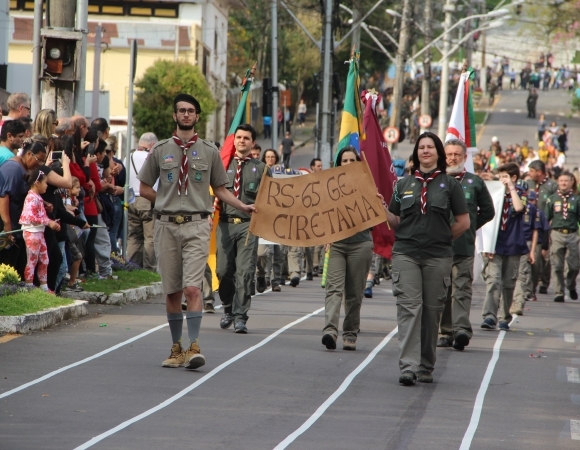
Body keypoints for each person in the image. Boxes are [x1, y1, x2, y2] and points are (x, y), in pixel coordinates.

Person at [138, 93, 255, 370]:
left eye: (191, 111)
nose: (186, 115)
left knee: (193, 288)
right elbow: (143, 188)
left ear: (197, 116)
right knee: (172, 292)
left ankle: (194, 347)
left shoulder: (209, 151)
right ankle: (176, 348)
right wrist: (163, 201)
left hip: (197, 224)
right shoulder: (160, 150)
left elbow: (222, 189)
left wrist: (243, 206)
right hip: (166, 225)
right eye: (181, 110)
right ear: (174, 116)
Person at [383, 132, 470, 385]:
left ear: (438, 153)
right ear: (416, 153)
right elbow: (396, 222)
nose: (425, 151)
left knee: (432, 312)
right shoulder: (403, 185)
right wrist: (382, 210)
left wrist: (442, 238)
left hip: (438, 256)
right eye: (421, 147)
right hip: (406, 254)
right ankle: (408, 367)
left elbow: (463, 222)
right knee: (409, 309)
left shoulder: (450, 185)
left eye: (430, 147)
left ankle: (425, 365)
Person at [437, 139, 495, 351]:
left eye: (456, 154)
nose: (452, 158)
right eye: (449, 154)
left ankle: (461, 330)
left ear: (465, 157)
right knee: (442, 291)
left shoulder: (474, 182)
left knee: (461, 289)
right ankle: (445, 332)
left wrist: (468, 227)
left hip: (463, 247)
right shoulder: (435, 181)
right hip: (439, 248)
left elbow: (488, 211)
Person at [216, 124, 271, 334]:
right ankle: (228, 308)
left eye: (246, 138)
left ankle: (241, 317)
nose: (241, 141)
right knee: (223, 271)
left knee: (245, 272)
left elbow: (271, 198)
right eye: (238, 137)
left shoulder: (262, 169)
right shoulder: (222, 165)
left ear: (253, 142)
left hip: (248, 225)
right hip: (225, 223)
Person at [321, 147, 374, 352]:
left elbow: (376, 214)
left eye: (353, 160)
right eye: (345, 160)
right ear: (339, 164)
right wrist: (325, 235)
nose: (349, 163)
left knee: (354, 292)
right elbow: (322, 214)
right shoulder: (329, 187)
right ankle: (330, 331)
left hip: (360, 244)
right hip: (337, 244)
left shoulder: (367, 184)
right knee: (333, 289)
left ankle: (350, 333)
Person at [481, 163, 526, 332]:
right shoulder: (494, 194)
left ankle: (504, 317)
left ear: (513, 178)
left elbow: (519, 207)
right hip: (495, 243)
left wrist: (511, 188)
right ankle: (489, 315)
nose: (501, 180)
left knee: (508, 283)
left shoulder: (520, 193)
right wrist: (486, 245)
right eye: (499, 177)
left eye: (504, 177)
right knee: (493, 280)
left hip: (513, 243)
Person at [0, 141, 49, 277]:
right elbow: (3, 197)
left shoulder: (25, 169)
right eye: (38, 160)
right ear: (29, 154)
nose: (39, 164)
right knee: (7, 264)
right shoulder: (13, 168)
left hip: (19, 228)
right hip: (9, 227)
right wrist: (7, 226)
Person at [18, 168, 61, 291]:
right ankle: (29, 286)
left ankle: (44, 287)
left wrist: (46, 208)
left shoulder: (37, 197)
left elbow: (37, 214)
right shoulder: (31, 198)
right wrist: (49, 222)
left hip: (39, 231)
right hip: (32, 232)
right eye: (45, 183)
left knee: (44, 259)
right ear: (37, 183)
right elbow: (30, 217)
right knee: (32, 260)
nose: (47, 185)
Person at [544, 172, 580, 302]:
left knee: (574, 266)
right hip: (557, 233)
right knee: (557, 265)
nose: (563, 183)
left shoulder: (577, 199)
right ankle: (559, 291)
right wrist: (544, 240)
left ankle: (571, 285)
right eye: (561, 181)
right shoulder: (552, 199)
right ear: (558, 182)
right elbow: (546, 219)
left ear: (571, 182)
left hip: (572, 234)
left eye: (566, 181)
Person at [256, 149, 286, 292]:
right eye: (267, 157)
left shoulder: (282, 173)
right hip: (263, 217)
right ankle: (262, 274)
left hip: (279, 217)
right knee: (262, 253)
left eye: (273, 157)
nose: (270, 159)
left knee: (278, 252)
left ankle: (275, 280)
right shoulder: (258, 171)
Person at [127, 132, 158, 270]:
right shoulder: (151, 157)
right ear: (152, 145)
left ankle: (132, 266)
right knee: (150, 237)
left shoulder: (129, 157)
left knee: (134, 236)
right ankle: (149, 268)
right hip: (147, 199)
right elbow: (157, 182)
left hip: (130, 199)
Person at [527, 160, 557, 294]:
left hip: (546, 225)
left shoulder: (552, 186)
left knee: (545, 255)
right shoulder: (528, 184)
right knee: (533, 255)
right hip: (530, 224)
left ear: (539, 172)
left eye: (531, 171)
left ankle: (544, 282)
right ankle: (530, 283)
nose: (529, 173)